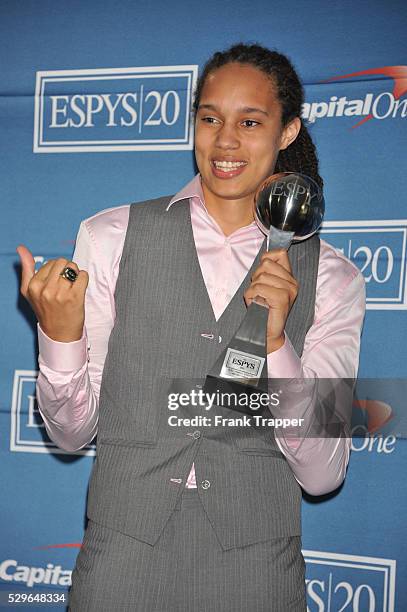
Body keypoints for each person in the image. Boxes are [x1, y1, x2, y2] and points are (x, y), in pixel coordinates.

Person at [17, 43, 365, 611]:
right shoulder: (110, 237)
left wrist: (277, 345)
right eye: (210, 119)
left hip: (256, 576)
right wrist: (60, 335)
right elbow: (71, 433)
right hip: (120, 567)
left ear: (286, 131)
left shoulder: (333, 275)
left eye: (250, 122)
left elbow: (324, 475)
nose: (225, 141)